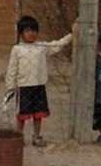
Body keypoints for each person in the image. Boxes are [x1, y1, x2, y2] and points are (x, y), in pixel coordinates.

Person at [4, 15, 72, 148]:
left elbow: (57, 45)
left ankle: (37, 136)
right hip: (23, 87)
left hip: (39, 86)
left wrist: (72, 35)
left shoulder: (42, 47)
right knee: (22, 115)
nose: (31, 33)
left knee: (38, 114)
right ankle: (19, 136)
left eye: (34, 30)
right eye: (28, 30)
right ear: (21, 33)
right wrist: (10, 86)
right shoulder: (17, 49)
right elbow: (11, 69)